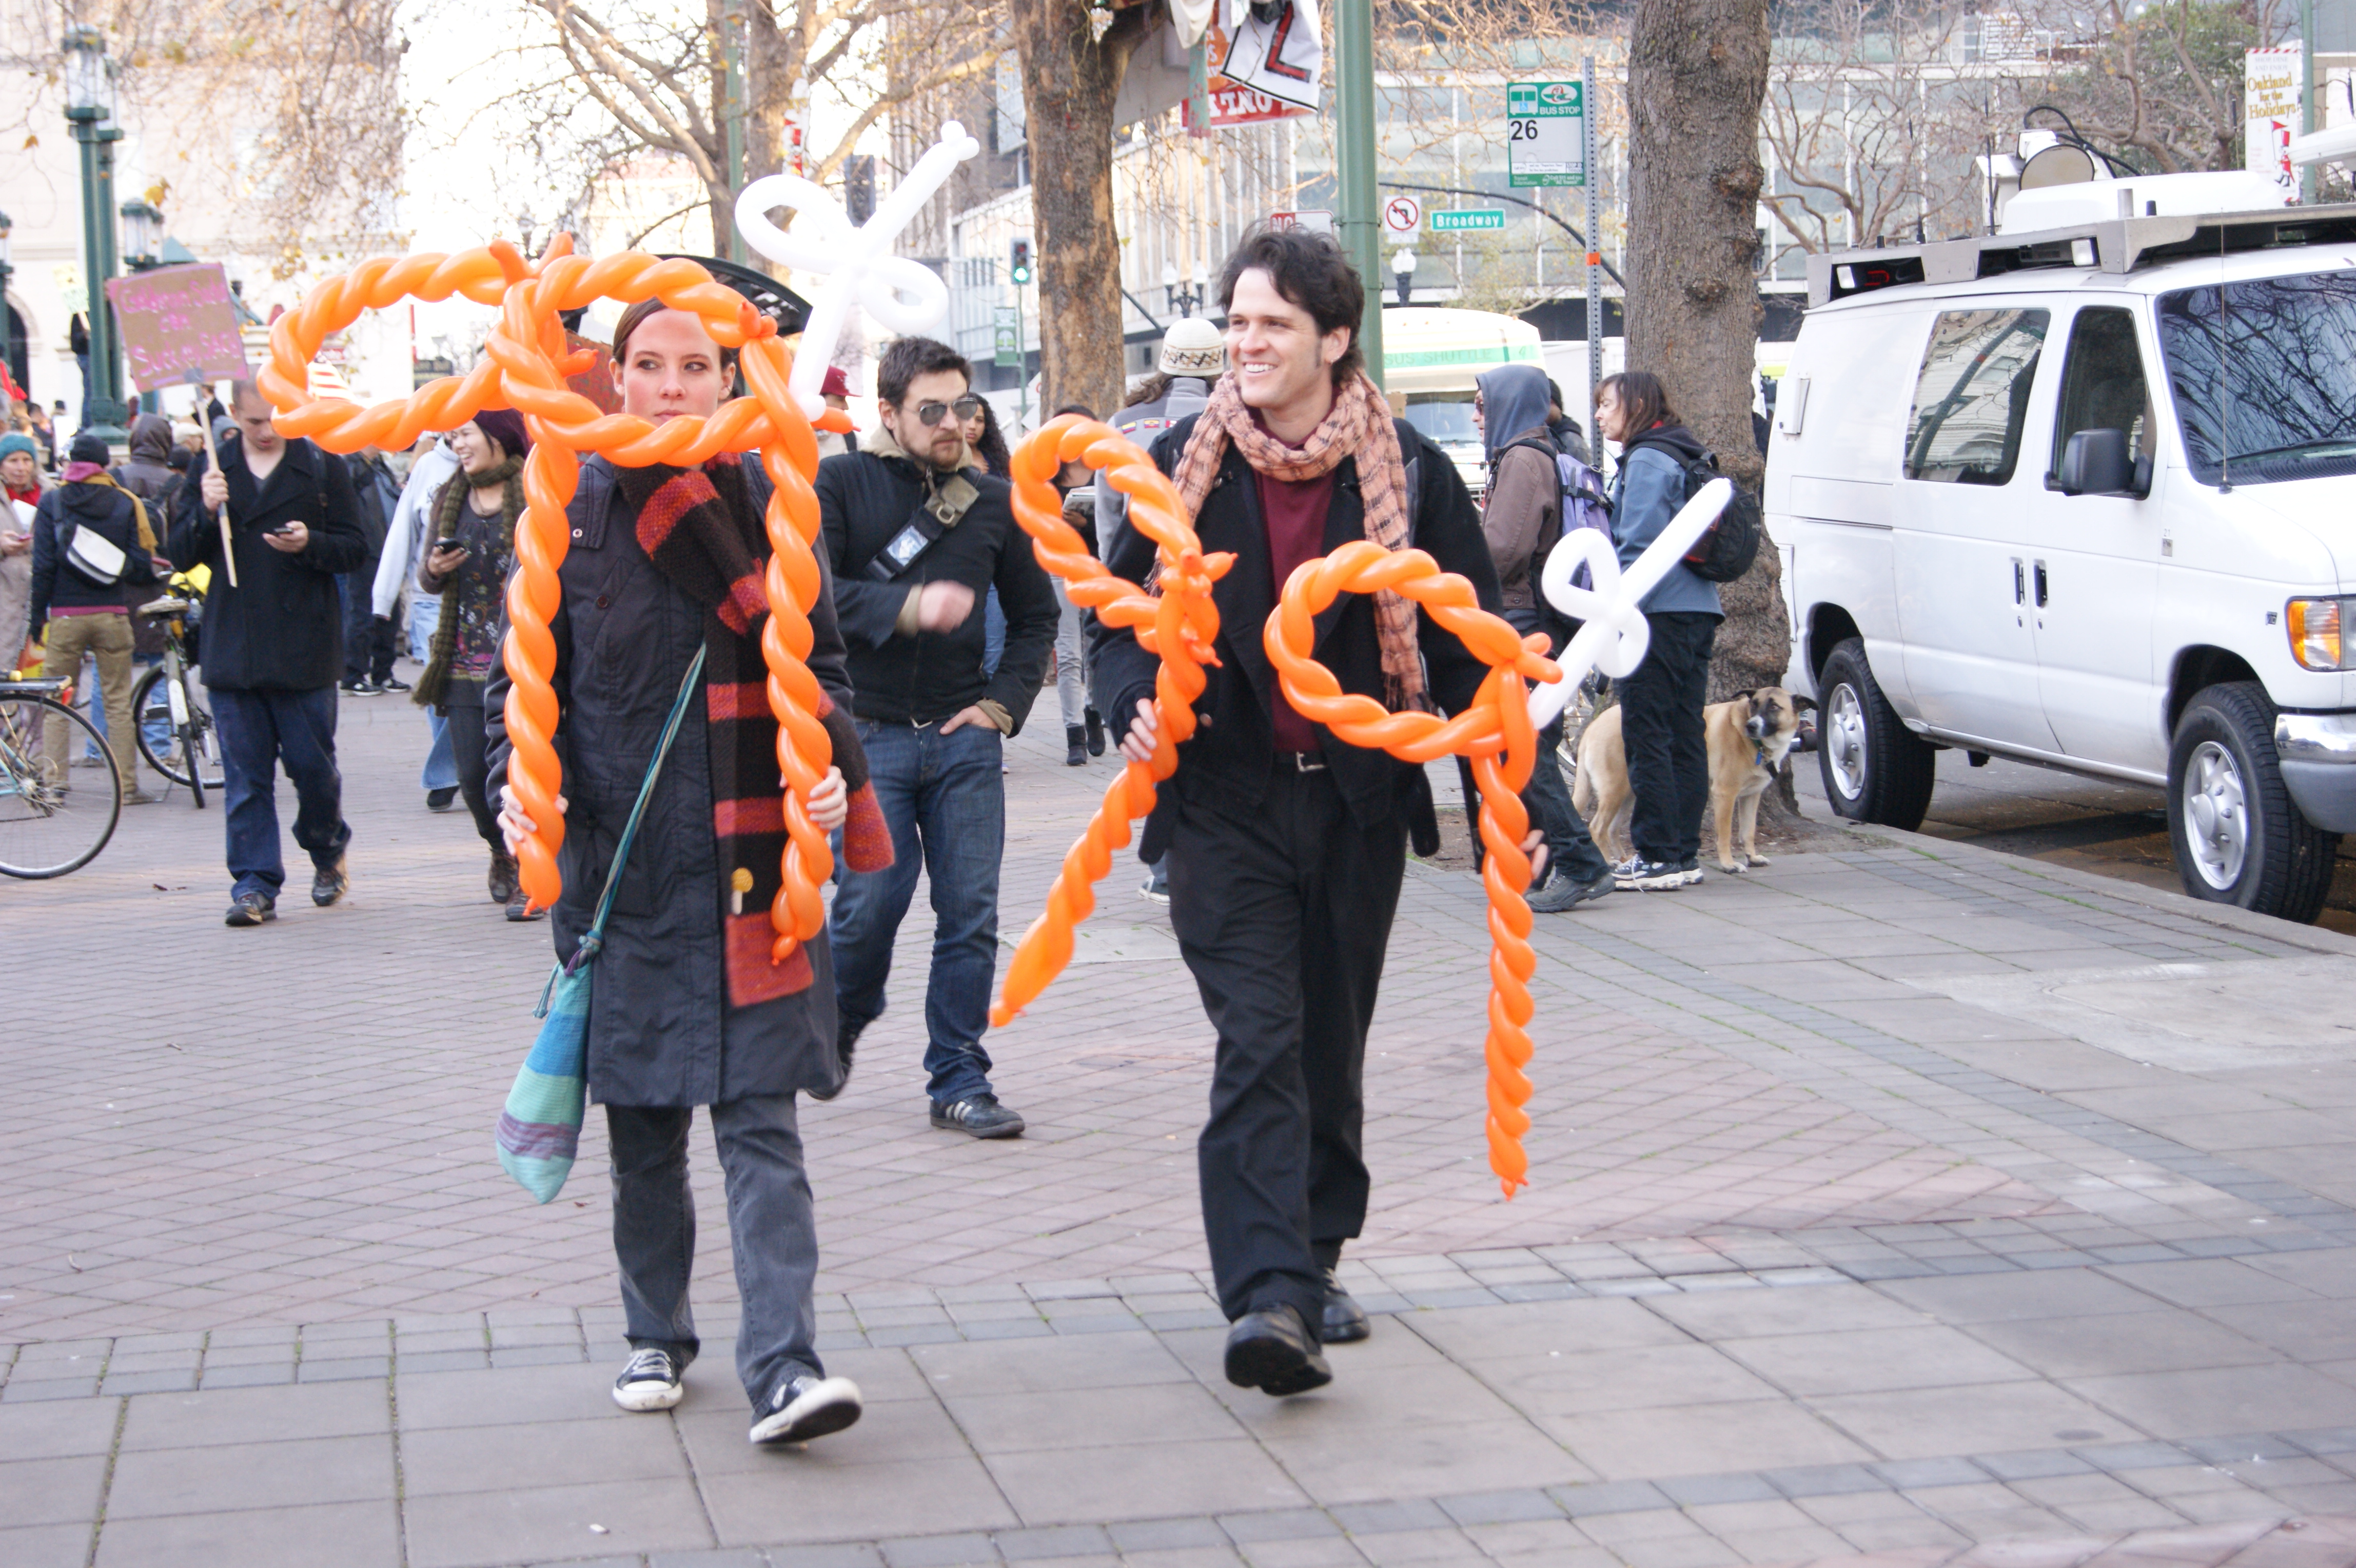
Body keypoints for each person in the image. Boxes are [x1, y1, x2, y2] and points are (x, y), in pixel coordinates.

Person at [1091, 229, 1543, 1397]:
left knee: (1328, 1044)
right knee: (1259, 1037)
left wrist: (1514, 807)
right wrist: (1134, 700)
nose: (1246, 344)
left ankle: (1318, 1252)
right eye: (1238, 322)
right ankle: (1269, 1296)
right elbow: (1116, 618)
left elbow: (1471, 649)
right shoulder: (1182, 465)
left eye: (1273, 325)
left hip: (1354, 804)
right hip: (1221, 801)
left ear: (1334, 338)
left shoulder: (1407, 473)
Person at [485, 299, 873, 1445]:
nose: (669, 386)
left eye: (694, 366)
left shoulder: (777, 498)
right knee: (645, 1129)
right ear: (614, 378)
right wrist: (521, 788)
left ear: (726, 381)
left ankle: (786, 1369)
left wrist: (828, 776)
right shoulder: (569, 506)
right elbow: (524, 691)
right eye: (648, 364)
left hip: (755, 868)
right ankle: (654, 1331)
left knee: (762, 1127)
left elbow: (824, 676)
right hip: (629, 874)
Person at [818, 336, 1057, 1138]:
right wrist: (908, 608)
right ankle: (841, 1017)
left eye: (965, 406)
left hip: (964, 742)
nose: (954, 423)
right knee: (867, 909)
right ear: (888, 413)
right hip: (868, 738)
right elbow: (813, 599)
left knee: (970, 915)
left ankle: (958, 1076)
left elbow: (1036, 619)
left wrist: (1001, 707)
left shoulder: (994, 500)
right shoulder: (840, 483)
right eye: (933, 410)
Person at [170, 380, 369, 926]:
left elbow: (356, 547)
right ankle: (254, 883)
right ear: (234, 413)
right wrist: (205, 508)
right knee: (245, 776)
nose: (265, 432)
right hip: (234, 647)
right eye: (254, 421)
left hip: (304, 646)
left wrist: (311, 543)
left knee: (312, 768)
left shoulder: (321, 465)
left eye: (276, 420)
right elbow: (179, 552)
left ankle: (326, 845)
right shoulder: (213, 466)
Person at [1474, 364, 1613, 912]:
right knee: (1530, 746)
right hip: (1536, 617)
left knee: (1524, 747)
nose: (1477, 415)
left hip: (1524, 621)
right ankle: (1545, 861)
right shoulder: (1534, 454)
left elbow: (1503, 549)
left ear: (1508, 404)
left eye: (1482, 404)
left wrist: (1462, 556)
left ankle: (1581, 863)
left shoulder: (1522, 460)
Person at [1593, 370, 1721, 891]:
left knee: (1647, 732)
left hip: (1653, 614)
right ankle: (1683, 852)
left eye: (1607, 404)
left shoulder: (1647, 459)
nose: (1599, 414)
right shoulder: (1682, 451)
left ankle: (1657, 855)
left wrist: (1613, 612)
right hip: (1697, 608)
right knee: (1685, 732)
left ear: (1636, 404)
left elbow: (1637, 544)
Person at [1113, 321, 1227, 903]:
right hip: (1212, 594)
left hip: (1142, 594)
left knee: (1158, 722)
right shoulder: (1228, 423)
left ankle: (1164, 865)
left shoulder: (1125, 424)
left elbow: (1112, 517)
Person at [415, 411, 533, 917]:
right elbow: (426, 576)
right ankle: (498, 848)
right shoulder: (451, 494)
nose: (456, 444)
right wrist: (435, 567)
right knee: (471, 775)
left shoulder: (535, 488)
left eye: (465, 434)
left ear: (497, 437)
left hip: (523, 660)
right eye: (453, 436)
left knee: (521, 774)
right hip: (464, 661)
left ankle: (529, 870)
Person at [28, 432, 163, 804]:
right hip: (112, 613)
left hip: (66, 617)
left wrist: (37, 617)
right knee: (118, 701)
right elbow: (140, 566)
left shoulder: (53, 501)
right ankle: (127, 787)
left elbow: (43, 567)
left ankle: (55, 786)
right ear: (104, 464)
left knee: (58, 701)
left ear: (72, 462)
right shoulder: (126, 502)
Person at [374, 434, 463, 809]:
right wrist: (383, 598)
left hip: (483, 601)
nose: (462, 439)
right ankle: (449, 772)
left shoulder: (506, 468)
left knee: (475, 690)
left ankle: (458, 768)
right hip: (431, 600)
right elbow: (402, 534)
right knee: (438, 687)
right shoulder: (428, 467)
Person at [1045, 401, 1105, 766]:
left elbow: (1118, 527)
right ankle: (1074, 734)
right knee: (1067, 653)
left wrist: (1087, 525)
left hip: (1096, 565)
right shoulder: (1046, 476)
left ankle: (1093, 710)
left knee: (1095, 646)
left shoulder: (1105, 472)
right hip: (1058, 567)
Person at [341, 444, 405, 694]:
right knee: (363, 614)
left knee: (389, 614)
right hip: (366, 549)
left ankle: (383, 673)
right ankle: (353, 675)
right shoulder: (351, 464)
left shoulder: (380, 465)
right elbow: (346, 494)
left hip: (387, 548)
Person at [1, 432, 42, 669]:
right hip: (5, 596)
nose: (21, 467)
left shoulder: (48, 493)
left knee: (39, 674)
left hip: (41, 596)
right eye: (13, 461)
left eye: (27, 460)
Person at [816, 365, 860, 460]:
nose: (846, 407)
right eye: (840, 399)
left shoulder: (853, 442)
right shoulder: (787, 438)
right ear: (817, 398)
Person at [1544, 379, 1594, 465]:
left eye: (1550, 403)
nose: (1545, 408)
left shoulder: (1572, 443)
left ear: (1559, 407)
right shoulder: (1542, 436)